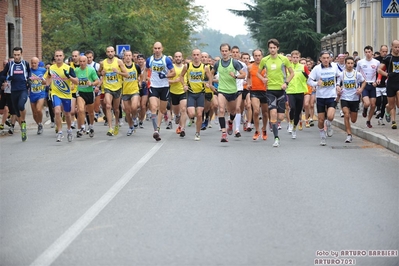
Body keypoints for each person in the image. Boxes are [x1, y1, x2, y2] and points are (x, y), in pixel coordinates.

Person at [257, 39, 294, 147]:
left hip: (281, 90)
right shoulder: (265, 60)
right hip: (270, 90)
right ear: (268, 49)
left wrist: (286, 83)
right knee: (273, 114)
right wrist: (263, 79)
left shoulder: (284, 59)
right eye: (270, 48)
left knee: (281, 117)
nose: (272, 50)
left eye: (274, 48)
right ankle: (276, 138)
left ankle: (274, 123)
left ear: (278, 48)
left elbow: (292, 73)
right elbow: (258, 73)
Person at [210, 43, 246, 142]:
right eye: (223, 51)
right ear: (220, 52)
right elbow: (211, 73)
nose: (224, 53)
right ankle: (224, 133)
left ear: (229, 52)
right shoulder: (217, 63)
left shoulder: (234, 63)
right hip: (222, 90)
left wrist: (235, 76)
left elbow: (243, 74)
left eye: (226, 51)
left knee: (233, 111)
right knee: (221, 110)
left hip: (233, 91)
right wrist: (210, 84)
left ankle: (230, 122)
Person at [307, 51, 340, 146]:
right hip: (321, 96)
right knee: (321, 120)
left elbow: (339, 76)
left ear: (330, 58)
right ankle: (322, 136)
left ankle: (329, 124)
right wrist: (316, 83)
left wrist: (337, 85)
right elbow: (309, 80)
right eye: (324, 58)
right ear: (320, 59)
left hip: (331, 95)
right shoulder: (316, 69)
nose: (326, 60)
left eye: (327, 58)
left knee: (330, 116)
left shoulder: (334, 66)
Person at [46, 49, 79, 142]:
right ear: (54, 57)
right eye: (57, 56)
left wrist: (69, 76)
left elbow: (77, 81)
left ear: (63, 57)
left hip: (66, 94)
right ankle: (60, 132)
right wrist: (48, 85)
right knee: (57, 111)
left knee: (67, 114)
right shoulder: (51, 68)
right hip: (55, 93)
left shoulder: (68, 68)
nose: (58, 57)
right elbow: (48, 76)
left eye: (60, 56)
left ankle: (69, 130)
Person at [180, 48, 212, 140]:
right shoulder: (188, 66)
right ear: (192, 55)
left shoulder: (204, 67)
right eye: (194, 55)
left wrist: (208, 84)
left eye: (198, 55)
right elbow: (181, 76)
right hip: (190, 92)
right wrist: (184, 85)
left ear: (201, 56)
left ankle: (197, 133)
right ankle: (190, 121)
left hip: (201, 93)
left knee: (199, 114)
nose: (196, 57)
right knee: (191, 113)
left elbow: (210, 77)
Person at [146, 42, 176, 141]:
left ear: (162, 49)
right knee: (154, 107)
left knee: (162, 110)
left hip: (164, 87)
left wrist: (166, 76)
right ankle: (156, 131)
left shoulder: (166, 59)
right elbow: (146, 70)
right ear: (153, 49)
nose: (157, 50)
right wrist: (145, 79)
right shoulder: (149, 59)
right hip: (154, 86)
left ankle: (158, 127)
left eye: (159, 48)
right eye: (155, 48)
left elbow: (173, 73)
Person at [0, 47, 31, 141]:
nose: (16, 57)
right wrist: (8, 77)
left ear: (21, 54)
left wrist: (29, 80)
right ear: (13, 55)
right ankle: (23, 128)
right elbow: (2, 75)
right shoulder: (10, 64)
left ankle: (24, 122)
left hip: (23, 90)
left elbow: (29, 72)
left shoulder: (25, 63)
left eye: (18, 55)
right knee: (16, 112)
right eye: (15, 55)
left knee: (21, 105)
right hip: (13, 91)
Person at [98, 46, 129, 136]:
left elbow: (126, 74)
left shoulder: (119, 62)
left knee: (116, 109)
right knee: (108, 105)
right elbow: (99, 72)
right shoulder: (103, 63)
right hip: (107, 87)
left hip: (117, 87)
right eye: (108, 52)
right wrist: (101, 73)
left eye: (111, 51)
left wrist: (118, 72)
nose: (110, 53)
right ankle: (110, 128)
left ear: (114, 52)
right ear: (106, 53)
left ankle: (116, 124)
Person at [337, 56, 366, 143]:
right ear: (345, 64)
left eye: (351, 63)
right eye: (348, 63)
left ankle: (356, 113)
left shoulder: (357, 74)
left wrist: (361, 89)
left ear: (354, 64)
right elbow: (338, 83)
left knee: (353, 120)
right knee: (346, 115)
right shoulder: (342, 74)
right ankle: (349, 135)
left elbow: (364, 81)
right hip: (345, 97)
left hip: (354, 98)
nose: (350, 65)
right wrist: (338, 87)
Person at [74, 55, 100, 138]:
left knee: (91, 112)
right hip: (80, 93)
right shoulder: (76, 70)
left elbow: (97, 81)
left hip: (89, 92)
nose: (82, 63)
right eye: (80, 61)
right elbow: (72, 79)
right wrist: (72, 84)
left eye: (83, 61)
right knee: (81, 110)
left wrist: (91, 83)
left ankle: (91, 126)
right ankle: (82, 127)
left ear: (86, 62)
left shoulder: (91, 70)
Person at [286, 50, 310, 139]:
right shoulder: (288, 67)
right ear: (291, 58)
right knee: (292, 108)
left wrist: (314, 84)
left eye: (297, 57)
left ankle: (294, 129)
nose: (295, 59)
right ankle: (290, 122)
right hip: (291, 91)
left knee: (298, 112)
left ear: (299, 58)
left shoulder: (303, 67)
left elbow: (309, 77)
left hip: (300, 91)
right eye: (294, 57)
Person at [377, 39, 399, 129]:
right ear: (392, 47)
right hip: (391, 83)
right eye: (396, 47)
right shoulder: (388, 58)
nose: (398, 49)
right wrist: (387, 74)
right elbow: (379, 69)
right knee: (391, 105)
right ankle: (393, 121)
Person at [356, 45, 380, 128]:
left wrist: (377, 81)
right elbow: (357, 74)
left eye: (369, 52)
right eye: (366, 52)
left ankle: (368, 120)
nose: (368, 54)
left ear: (372, 52)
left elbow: (379, 73)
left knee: (373, 105)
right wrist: (358, 85)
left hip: (372, 84)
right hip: (364, 84)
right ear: (364, 53)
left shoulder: (376, 62)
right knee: (367, 103)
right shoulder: (360, 62)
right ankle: (365, 109)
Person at [247, 49, 268, 141]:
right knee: (256, 111)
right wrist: (248, 84)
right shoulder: (250, 67)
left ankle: (264, 129)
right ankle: (257, 130)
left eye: (259, 55)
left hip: (265, 91)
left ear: (262, 56)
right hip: (254, 91)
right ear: (253, 56)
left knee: (265, 113)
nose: (257, 57)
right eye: (255, 55)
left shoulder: (266, 67)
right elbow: (248, 77)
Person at [121, 50, 142, 136]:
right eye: (126, 55)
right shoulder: (121, 67)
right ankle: (130, 127)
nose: (128, 57)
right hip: (125, 91)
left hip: (134, 90)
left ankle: (134, 117)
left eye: (130, 55)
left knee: (134, 107)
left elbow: (139, 75)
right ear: (124, 57)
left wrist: (140, 81)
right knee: (127, 111)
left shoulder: (136, 66)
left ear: (132, 57)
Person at [169, 51, 187, 137]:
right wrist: (174, 81)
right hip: (173, 92)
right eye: (176, 57)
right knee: (176, 111)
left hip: (183, 91)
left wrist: (186, 85)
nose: (178, 58)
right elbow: (166, 80)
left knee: (183, 109)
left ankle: (182, 128)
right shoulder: (171, 68)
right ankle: (177, 115)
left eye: (179, 56)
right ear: (174, 58)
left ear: (182, 58)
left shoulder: (185, 67)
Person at [29, 57, 47, 135]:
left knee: (39, 109)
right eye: (32, 63)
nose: (33, 64)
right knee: (34, 113)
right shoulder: (28, 71)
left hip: (41, 93)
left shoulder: (42, 70)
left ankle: (40, 123)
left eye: (35, 63)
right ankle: (39, 124)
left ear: (38, 63)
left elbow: (49, 77)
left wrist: (45, 82)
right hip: (32, 94)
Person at [374, 45, 389, 125]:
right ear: (380, 51)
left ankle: (381, 117)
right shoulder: (376, 60)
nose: (385, 53)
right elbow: (374, 71)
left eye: (386, 51)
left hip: (386, 83)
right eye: (383, 51)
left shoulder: (389, 59)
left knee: (385, 102)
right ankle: (378, 109)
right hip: (377, 84)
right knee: (379, 100)